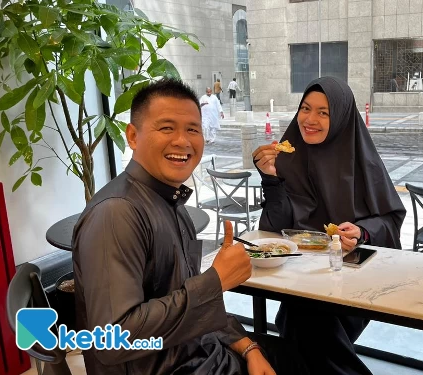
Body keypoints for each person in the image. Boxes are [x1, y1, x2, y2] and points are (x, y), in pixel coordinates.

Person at [73, 78, 309, 375]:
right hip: (170, 367)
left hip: (199, 354)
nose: (182, 142)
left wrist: (247, 346)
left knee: (299, 355)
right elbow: (113, 340)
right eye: (166, 128)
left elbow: (195, 307)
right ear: (132, 136)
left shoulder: (172, 204)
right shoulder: (116, 213)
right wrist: (215, 281)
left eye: (192, 130)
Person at [252, 76, 406, 375]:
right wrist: (270, 178)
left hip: (351, 278)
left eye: (324, 112)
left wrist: (362, 232)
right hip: (300, 274)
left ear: (341, 118)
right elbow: (273, 228)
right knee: (304, 325)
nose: (310, 120)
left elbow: (391, 219)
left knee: (302, 322)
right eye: (305, 108)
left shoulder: (362, 161)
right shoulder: (287, 157)